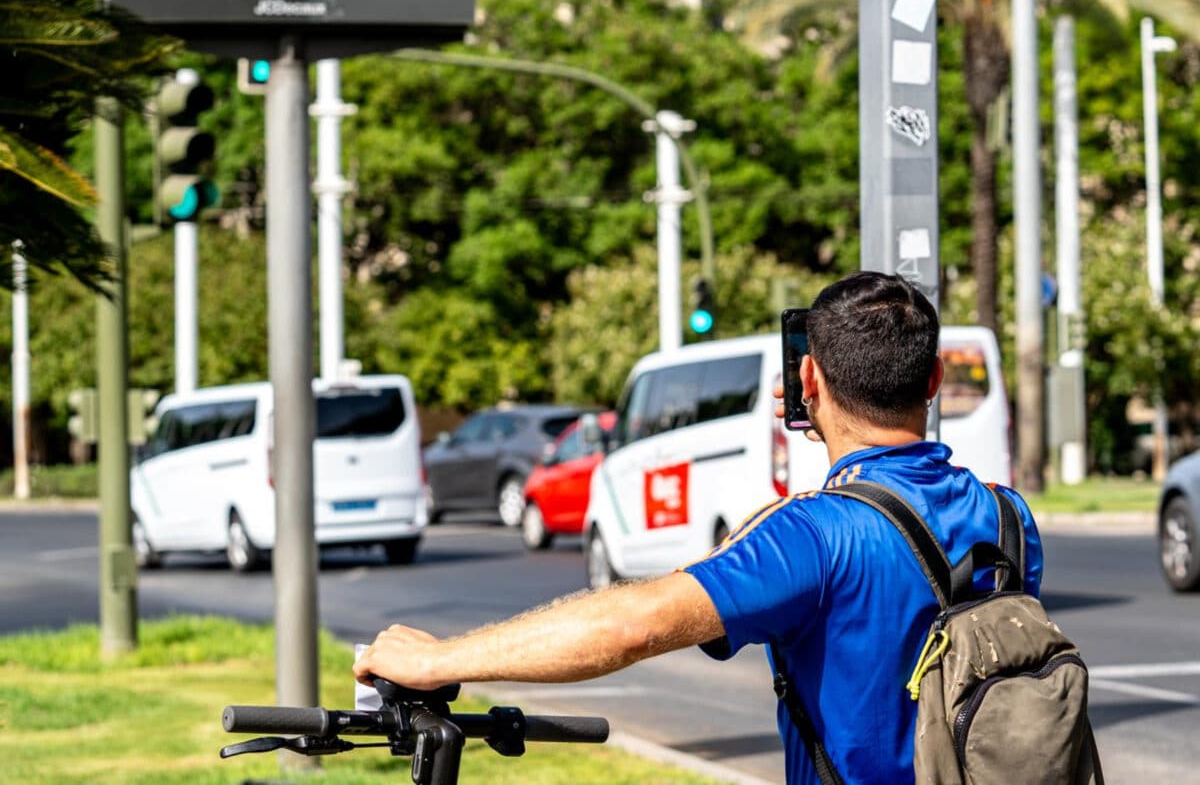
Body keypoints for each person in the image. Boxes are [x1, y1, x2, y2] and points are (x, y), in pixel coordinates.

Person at [353, 271, 1043, 785]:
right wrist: (837, 432)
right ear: (933, 381)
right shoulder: (1011, 519)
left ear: (808, 378)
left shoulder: (810, 535)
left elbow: (634, 624)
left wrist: (439, 660)